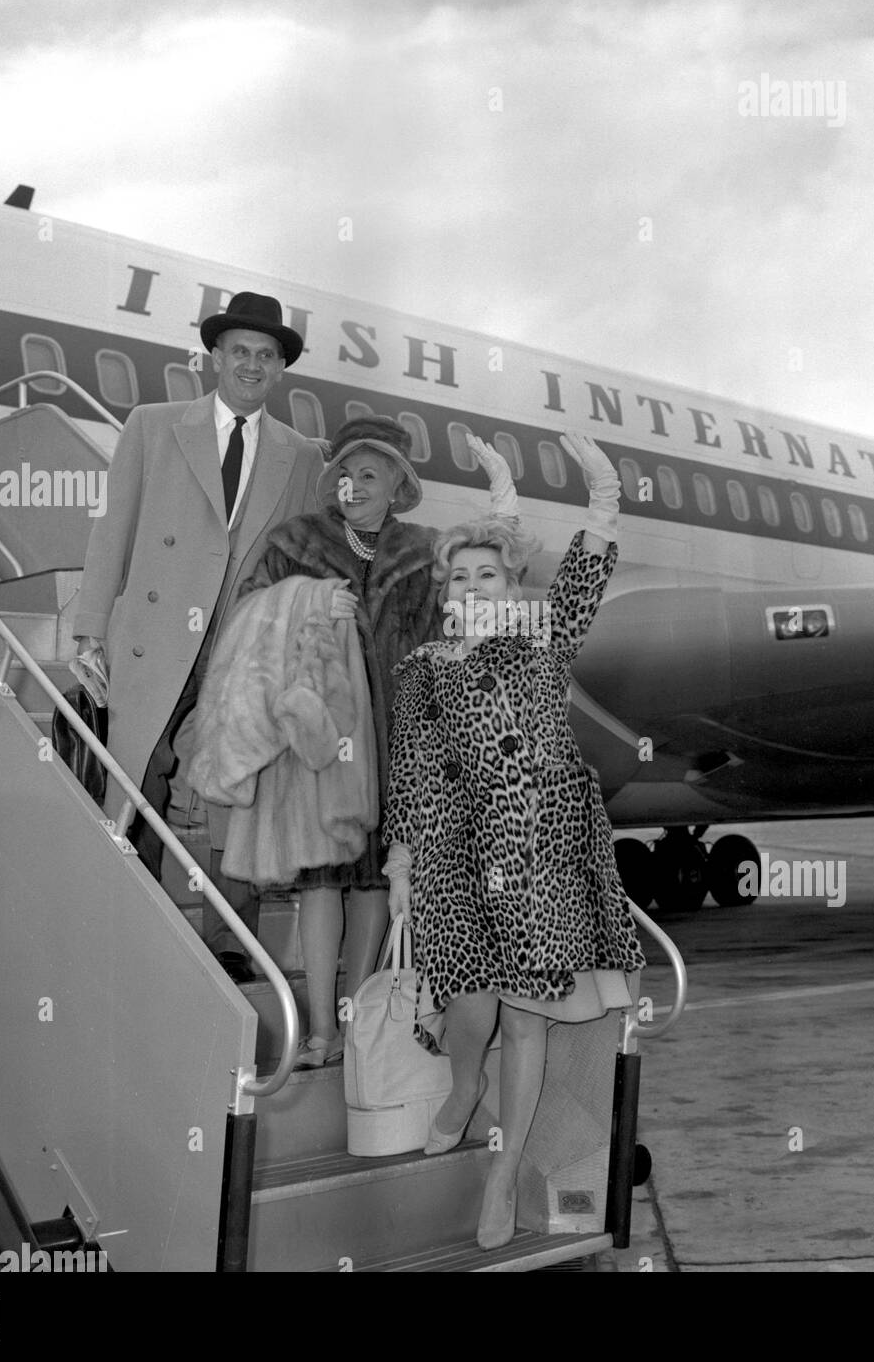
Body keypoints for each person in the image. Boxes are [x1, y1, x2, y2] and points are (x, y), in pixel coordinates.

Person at [382, 429, 645, 1250]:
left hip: (541, 856)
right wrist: (402, 856)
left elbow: (583, 574)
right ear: (445, 590)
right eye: (457, 576)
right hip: (460, 855)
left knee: (528, 1020)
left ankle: (504, 1177)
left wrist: (600, 492)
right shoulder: (425, 666)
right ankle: (463, 1089)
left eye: (487, 574)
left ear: (509, 584)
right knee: (471, 999)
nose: (471, 585)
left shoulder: (543, 643)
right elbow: (415, 766)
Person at [235, 415, 516, 1065]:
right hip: (321, 741)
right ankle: (321, 1033)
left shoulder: (423, 554)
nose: (354, 485)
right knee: (319, 881)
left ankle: (354, 1026)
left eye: (370, 474)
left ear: (398, 488)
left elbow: (466, 630)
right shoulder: (294, 542)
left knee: (369, 885)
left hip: (399, 745)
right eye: (345, 474)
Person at [71, 292, 323, 980]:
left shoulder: (300, 455)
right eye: (239, 350)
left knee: (232, 788)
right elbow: (112, 529)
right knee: (141, 774)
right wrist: (90, 628)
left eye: (265, 355)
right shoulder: (154, 426)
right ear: (214, 356)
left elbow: (300, 557)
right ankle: (135, 917)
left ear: (279, 371)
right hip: (156, 634)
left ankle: (231, 937)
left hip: (239, 647)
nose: (251, 363)